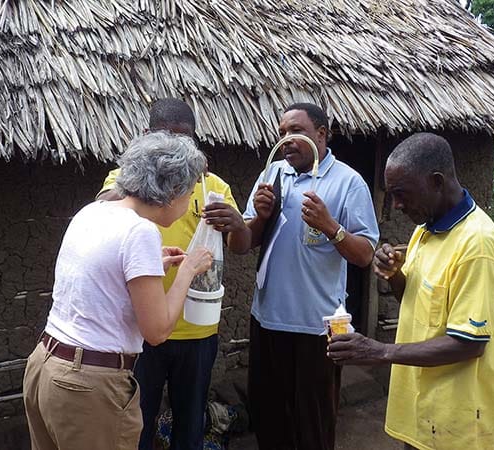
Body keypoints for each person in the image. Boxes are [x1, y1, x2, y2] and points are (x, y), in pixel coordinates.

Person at [22, 131, 214, 450]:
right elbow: (157, 330)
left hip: (46, 366)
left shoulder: (93, 211)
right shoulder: (140, 231)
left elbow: (105, 276)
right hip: (88, 385)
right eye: (191, 191)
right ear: (174, 191)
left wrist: (152, 265)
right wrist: (188, 271)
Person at [327, 133, 494, 450]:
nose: (397, 205)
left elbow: (468, 344)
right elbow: (415, 302)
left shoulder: (476, 245)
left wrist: (379, 351)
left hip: (458, 422)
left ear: (437, 182)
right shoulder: (425, 231)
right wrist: (395, 275)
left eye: (402, 194)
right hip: (425, 412)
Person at [98, 98, 252, 450]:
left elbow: (241, 245)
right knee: (138, 418)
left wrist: (237, 223)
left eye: (186, 139)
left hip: (197, 328)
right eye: (168, 137)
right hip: (144, 329)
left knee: (190, 419)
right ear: (147, 136)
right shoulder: (128, 179)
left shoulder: (211, 185)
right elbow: (105, 205)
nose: (178, 146)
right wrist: (153, 172)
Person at [243, 102, 379, 450]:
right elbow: (247, 240)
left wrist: (330, 227)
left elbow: (365, 254)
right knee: (269, 415)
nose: (287, 140)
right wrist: (259, 216)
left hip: (317, 328)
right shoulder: (272, 176)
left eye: (296, 131)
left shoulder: (349, 182)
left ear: (322, 134)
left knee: (313, 423)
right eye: (282, 134)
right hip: (268, 320)